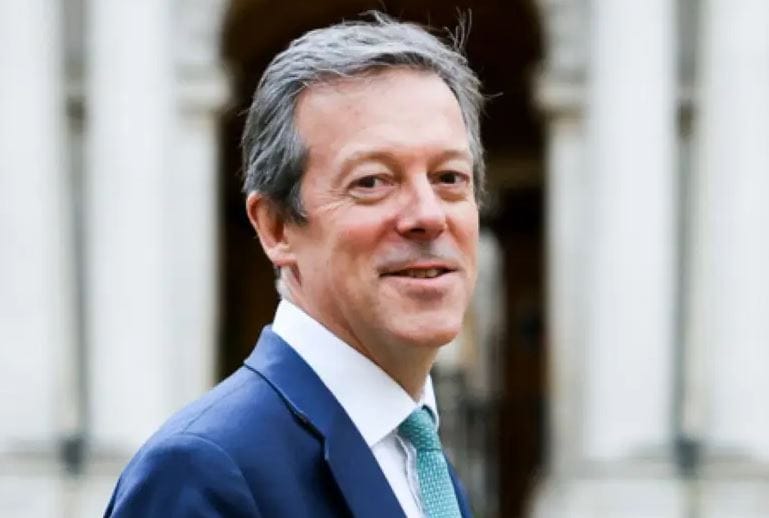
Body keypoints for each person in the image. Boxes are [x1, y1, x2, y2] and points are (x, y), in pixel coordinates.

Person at [104, 12, 484, 518]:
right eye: (372, 181)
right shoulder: (200, 474)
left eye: (449, 177)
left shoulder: (423, 464)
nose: (428, 216)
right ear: (276, 228)